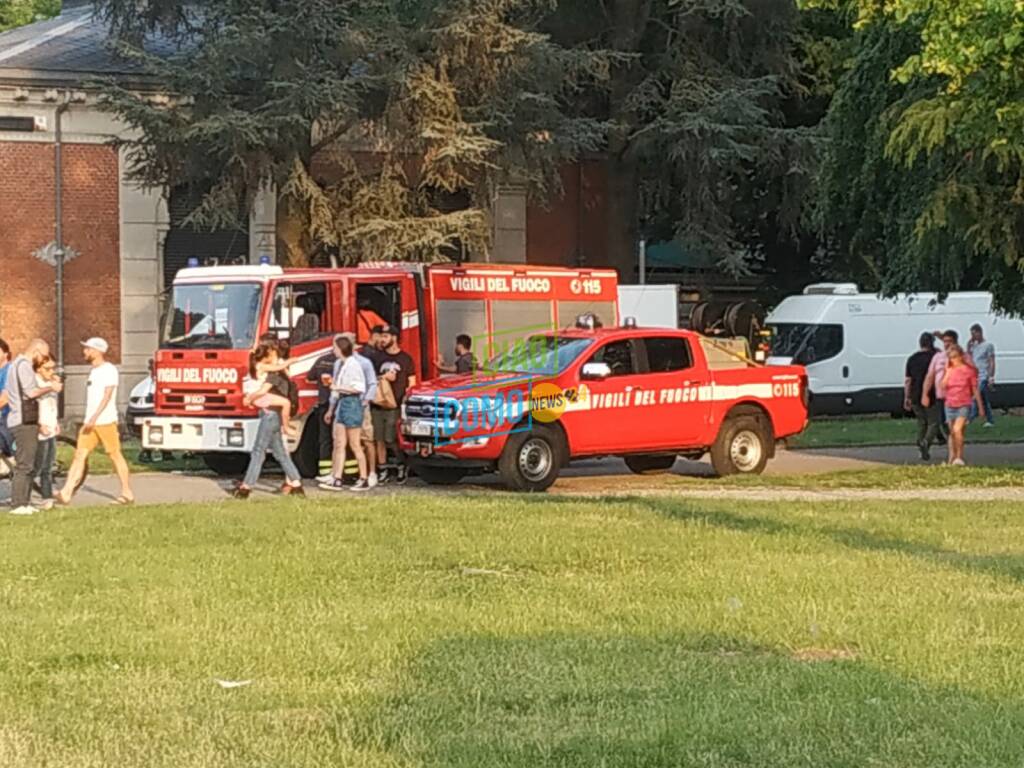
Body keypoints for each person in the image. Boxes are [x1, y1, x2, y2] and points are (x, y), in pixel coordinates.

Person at [54, 338, 134, 506]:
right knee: (79, 455)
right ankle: (66, 492)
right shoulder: (93, 371)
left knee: (114, 455)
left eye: (88, 349)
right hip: (90, 422)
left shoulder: (109, 370)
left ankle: (127, 492)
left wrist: (94, 417)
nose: (85, 352)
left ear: (98, 351)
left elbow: (107, 396)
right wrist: (89, 419)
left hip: (105, 421)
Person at [234, 340, 304, 499]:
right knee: (280, 453)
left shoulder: (269, 373)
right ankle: (297, 483)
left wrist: (250, 398)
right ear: (267, 356)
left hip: (269, 415)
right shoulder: (271, 371)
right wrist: (289, 362)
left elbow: (263, 389)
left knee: (258, 451)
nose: (276, 357)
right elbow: (277, 371)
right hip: (271, 413)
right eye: (273, 354)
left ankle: (246, 487)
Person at [5, 339, 63, 515]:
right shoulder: (23, 365)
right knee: (25, 465)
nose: (43, 358)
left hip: (21, 419)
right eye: (43, 355)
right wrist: (49, 388)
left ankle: (25, 501)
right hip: (23, 420)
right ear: (36, 351)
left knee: (29, 464)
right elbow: (30, 392)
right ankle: (18, 504)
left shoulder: (16, 364)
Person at [369, 324, 415, 485]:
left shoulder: (406, 359)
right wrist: (383, 377)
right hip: (377, 404)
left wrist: (406, 402)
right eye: (381, 336)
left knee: (391, 439)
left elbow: (411, 382)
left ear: (394, 338)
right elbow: (370, 378)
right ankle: (383, 470)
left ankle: (401, 464)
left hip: (395, 405)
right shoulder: (376, 358)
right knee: (378, 439)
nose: (382, 339)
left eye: (386, 336)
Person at [324, 336, 371, 492]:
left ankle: (364, 478)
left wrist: (337, 387)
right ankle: (337, 477)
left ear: (341, 349)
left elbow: (359, 388)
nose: (333, 350)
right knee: (339, 442)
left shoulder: (353, 365)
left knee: (355, 444)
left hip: (352, 403)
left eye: (335, 347)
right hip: (343, 403)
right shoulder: (342, 365)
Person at [942, 344, 985, 466]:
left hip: (963, 404)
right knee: (952, 432)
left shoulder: (968, 371)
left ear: (961, 356)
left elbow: (975, 389)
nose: (953, 360)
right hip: (950, 404)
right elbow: (943, 386)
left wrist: (980, 407)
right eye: (951, 358)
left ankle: (959, 457)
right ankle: (953, 456)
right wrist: (947, 372)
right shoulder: (949, 370)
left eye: (955, 357)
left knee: (958, 429)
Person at [904, 332, 940, 461]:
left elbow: (908, 380)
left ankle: (920, 446)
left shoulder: (912, 358)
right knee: (934, 422)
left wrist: (906, 397)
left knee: (921, 422)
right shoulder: (935, 357)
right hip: (931, 395)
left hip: (915, 395)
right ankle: (926, 442)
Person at [32, 355, 60, 508]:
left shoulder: (51, 383)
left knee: (48, 466)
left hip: (50, 426)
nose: (51, 372)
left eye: (52, 368)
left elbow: (52, 404)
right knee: (36, 466)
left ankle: (47, 497)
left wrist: (55, 422)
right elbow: (32, 405)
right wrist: (38, 423)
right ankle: (23, 496)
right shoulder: (36, 383)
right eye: (47, 369)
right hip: (40, 428)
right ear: (38, 369)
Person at [250, 346, 296, 437]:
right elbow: (278, 367)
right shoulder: (261, 365)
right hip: (261, 396)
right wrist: (290, 361)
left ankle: (285, 424)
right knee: (286, 403)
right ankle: (286, 427)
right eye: (270, 356)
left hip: (262, 395)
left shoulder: (259, 365)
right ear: (266, 357)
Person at [307, 347, 338, 481]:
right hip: (340, 404)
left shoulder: (321, 360)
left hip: (323, 402)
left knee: (324, 439)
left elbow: (310, 378)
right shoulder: (345, 362)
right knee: (341, 440)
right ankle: (348, 473)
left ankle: (325, 473)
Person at [922, 329, 958, 442]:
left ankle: (955, 452)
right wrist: (925, 393)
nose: (946, 344)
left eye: (949, 341)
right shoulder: (938, 356)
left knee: (953, 424)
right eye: (945, 341)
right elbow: (930, 376)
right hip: (941, 396)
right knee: (944, 423)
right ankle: (953, 448)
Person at [967, 323, 996, 427]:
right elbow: (969, 358)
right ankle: (990, 420)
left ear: (980, 333)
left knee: (976, 396)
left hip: (983, 375)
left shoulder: (988, 345)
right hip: (975, 375)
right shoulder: (974, 346)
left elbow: (991, 361)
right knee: (983, 398)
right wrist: (968, 345)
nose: (973, 336)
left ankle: (971, 417)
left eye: (974, 334)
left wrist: (991, 376)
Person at [0, 337, 12, 461]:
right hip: (2, 416)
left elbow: (5, 398)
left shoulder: (9, 370)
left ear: (6, 353)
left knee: (14, 452)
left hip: (10, 416)